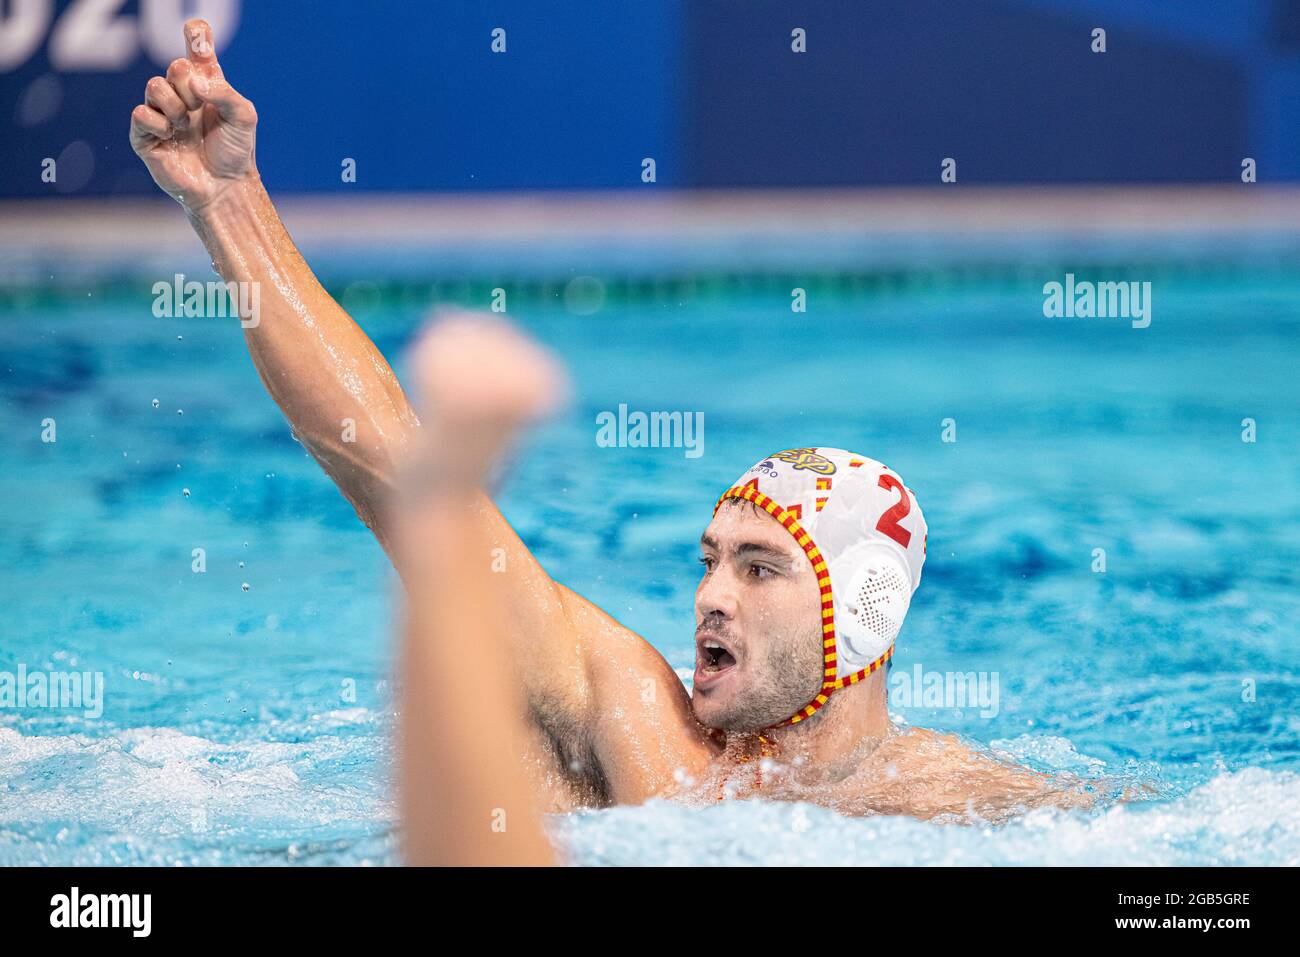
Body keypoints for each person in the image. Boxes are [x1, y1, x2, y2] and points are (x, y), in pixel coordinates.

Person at [129, 20, 1096, 855]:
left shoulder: (972, 812)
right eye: (711, 559)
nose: (709, 595)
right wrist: (229, 204)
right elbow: (389, 465)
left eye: (761, 569)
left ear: (865, 620)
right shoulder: (635, 720)